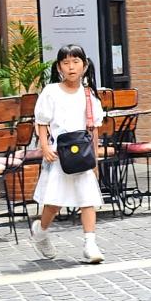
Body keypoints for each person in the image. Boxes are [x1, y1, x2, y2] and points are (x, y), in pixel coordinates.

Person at [28, 44, 106, 265]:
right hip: (59, 154)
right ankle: (41, 231)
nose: (71, 67)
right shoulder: (51, 92)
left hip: (82, 155)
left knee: (87, 199)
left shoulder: (89, 95)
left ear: (84, 66)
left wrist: (94, 158)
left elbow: (93, 128)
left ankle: (90, 244)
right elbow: (42, 122)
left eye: (76, 62)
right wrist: (44, 147)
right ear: (59, 67)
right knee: (54, 203)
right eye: (66, 62)